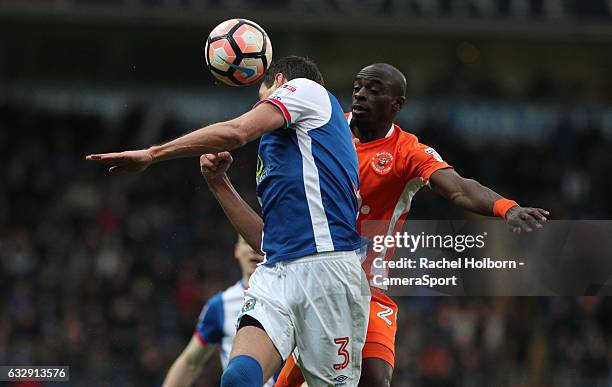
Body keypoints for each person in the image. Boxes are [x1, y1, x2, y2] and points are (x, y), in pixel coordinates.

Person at [203, 63, 550, 387]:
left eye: (373, 89)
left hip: (365, 289)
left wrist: (506, 207)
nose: (361, 94)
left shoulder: (406, 151)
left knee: (374, 379)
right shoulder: (324, 129)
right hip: (306, 276)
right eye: (357, 87)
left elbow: (457, 189)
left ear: (397, 104)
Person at [87, 56, 370, 387]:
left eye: (262, 97)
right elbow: (266, 241)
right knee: (237, 378)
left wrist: (153, 154)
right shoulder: (287, 149)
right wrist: (218, 183)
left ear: (280, 82)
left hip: (327, 271)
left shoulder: (308, 90)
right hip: (277, 271)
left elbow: (238, 131)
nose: (258, 107)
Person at [162, 236, 275, 387]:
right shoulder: (220, 306)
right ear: (237, 250)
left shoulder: (291, 297)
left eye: (261, 243)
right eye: (247, 242)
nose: (254, 249)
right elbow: (190, 363)